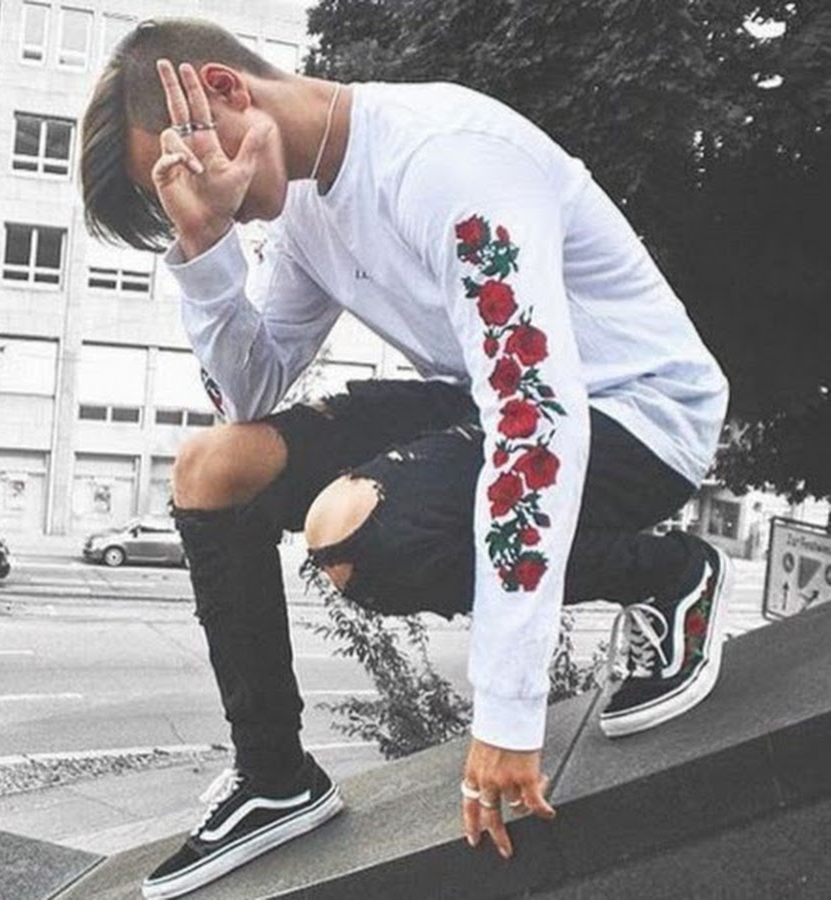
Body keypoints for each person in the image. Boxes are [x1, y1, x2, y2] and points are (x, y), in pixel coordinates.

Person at [81, 17, 732, 899]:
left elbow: (534, 421)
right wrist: (203, 248)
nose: (187, 192)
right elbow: (248, 396)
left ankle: (666, 573)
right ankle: (273, 778)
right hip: (488, 396)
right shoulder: (305, 206)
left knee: (354, 531)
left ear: (226, 91)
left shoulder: (446, 161)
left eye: (181, 167)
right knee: (213, 469)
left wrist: (508, 713)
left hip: (635, 414)